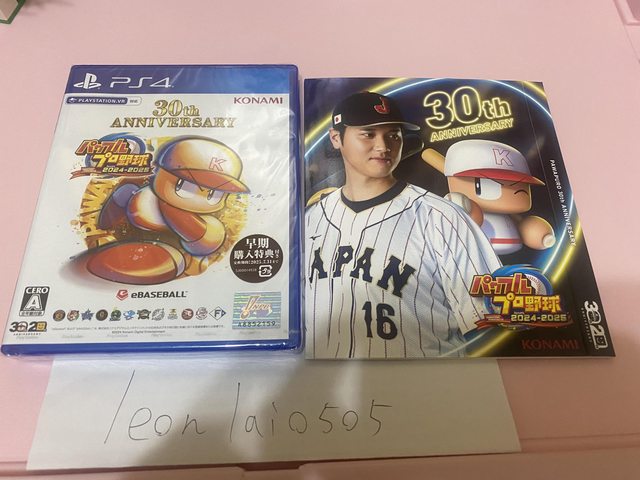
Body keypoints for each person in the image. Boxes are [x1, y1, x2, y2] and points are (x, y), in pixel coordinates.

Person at [305, 92, 501, 359]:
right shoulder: (311, 220)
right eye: (368, 134)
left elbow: (492, 322)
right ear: (336, 138)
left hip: (424, 380)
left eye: (393, 135)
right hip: (322, 382)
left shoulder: (442, 217)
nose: (383, 146)